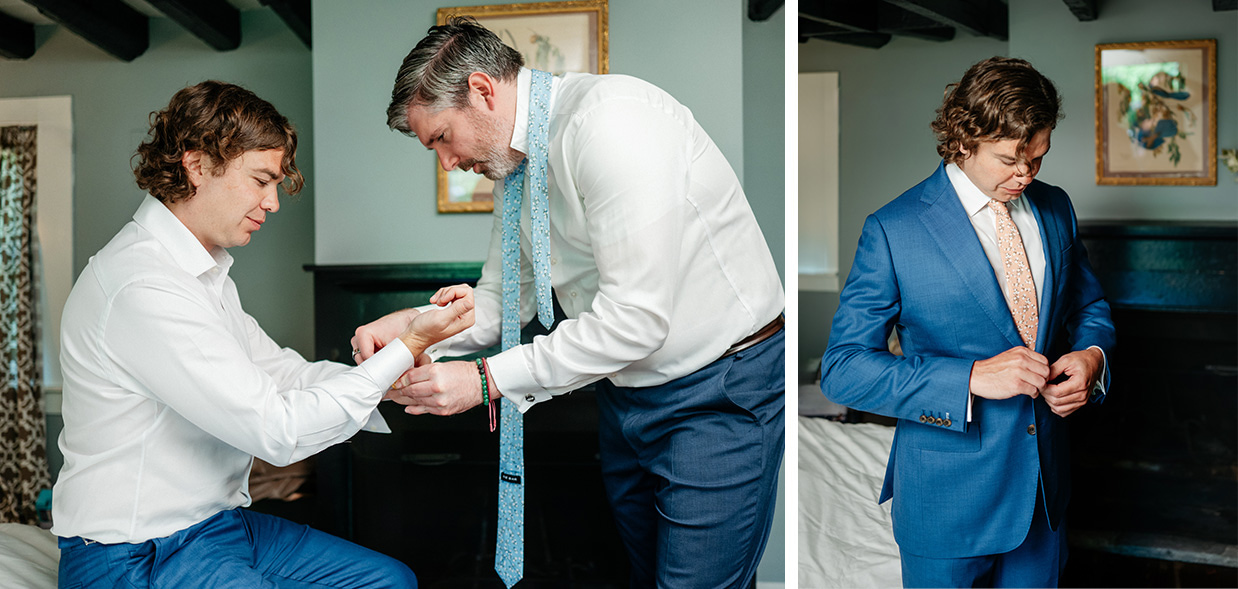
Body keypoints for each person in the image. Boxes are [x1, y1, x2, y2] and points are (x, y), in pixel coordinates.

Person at [353, 16, 785, 588]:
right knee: (646, 577)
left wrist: (483, 381)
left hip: (718, 388)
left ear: (482, 91)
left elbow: (634, 321)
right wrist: (412, 328)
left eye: (441, 138)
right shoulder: (514, 168)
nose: (448, 163)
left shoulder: (613, 125)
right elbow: (503, 300)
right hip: (624, 396)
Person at [53, 80, 475, 588]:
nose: (272, 204)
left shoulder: (201, 274)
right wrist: (405, 347)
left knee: (389, 581)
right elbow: (278, 431)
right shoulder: (143, 286)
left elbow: (283, 375)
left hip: (215, 528)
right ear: (197, 165)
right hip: (136, 552)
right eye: (260, 180)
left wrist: (391, 376)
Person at [821, 57, 1115, 588]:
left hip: (1044, 497)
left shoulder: (1055, 209)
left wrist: (1092, 358)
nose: (1025, 175)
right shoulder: (893, 230)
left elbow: (1088, 309)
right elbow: (842, 369)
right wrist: (970, 378)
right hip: (945, 501)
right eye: (1008, 160)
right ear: (963, 140)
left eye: (1038, 158)